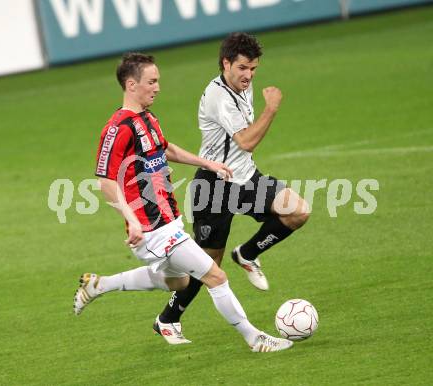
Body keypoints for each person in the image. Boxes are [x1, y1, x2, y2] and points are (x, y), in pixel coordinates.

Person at [73, 52, 293, 353]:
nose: (157, 87)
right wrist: (132, 219)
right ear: (131, 84)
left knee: (178, 283)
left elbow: (167, 149)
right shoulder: (118, 128)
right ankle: (255, 339)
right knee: (215, 275)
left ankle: (99, 285)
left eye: (157, 81)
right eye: (151, 81)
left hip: (168, 219)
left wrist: (209, 163)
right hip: (151, 229)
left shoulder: (147, 118)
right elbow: (105, 181)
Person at [155, 33, 310, 344]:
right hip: (214, 187)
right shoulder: (219, 97)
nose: (249, 75)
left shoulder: (241, 84)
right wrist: (271, 109)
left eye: (253, 69)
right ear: (225, 63)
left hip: (245, 177)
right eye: (243, 68)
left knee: (298, 211)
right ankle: (168, 318)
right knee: (207, 266)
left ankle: (248, 253)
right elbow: (246, 140)